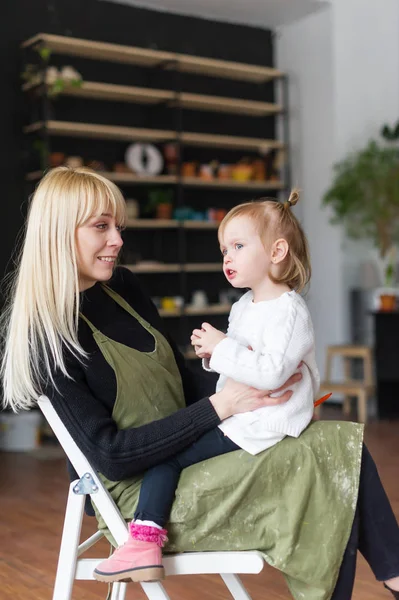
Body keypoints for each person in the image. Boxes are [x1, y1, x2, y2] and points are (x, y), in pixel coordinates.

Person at [2, 166, 399, 600]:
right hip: (143, 501)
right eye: (101, 227)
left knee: (331, 443)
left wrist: (260, 397)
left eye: (118, 226)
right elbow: (112, 458)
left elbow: (182, 378)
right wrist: (223, 406)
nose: (117, 240)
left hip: (183, 455)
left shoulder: (122, 286)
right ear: (58, 234)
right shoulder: (47, 340)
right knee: (328, 453)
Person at [92, 190, 321, 583]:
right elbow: (237, 368)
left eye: (237, 245)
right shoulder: (244, 306)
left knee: (167, 457)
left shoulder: (289, 311)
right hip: (243, 416)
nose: (227, 257)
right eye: (223, 249)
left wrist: (225, 348)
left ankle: (144, 541)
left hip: (263, 423)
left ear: (277, 250)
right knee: (169, 455)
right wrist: (212, 354)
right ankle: (143, 541)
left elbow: (269, 374)